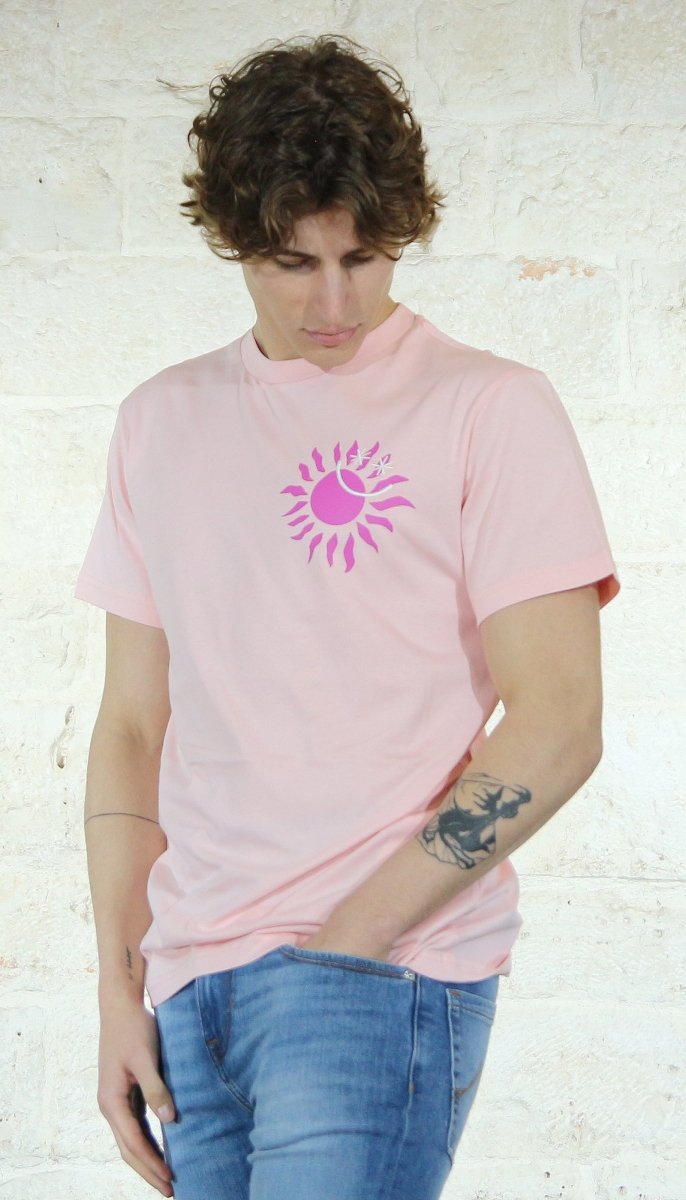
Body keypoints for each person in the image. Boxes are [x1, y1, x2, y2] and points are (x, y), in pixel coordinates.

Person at [75, 33, 620, 1200]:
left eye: (363, 259)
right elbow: (130, 727)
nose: (335, 303)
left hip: (378, 969)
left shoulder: (487, 408)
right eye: (292, 262)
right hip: (189, 986)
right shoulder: (158, 423)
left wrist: (347, 946)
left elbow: (558, 719)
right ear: (233, 239)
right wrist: (120, 990)